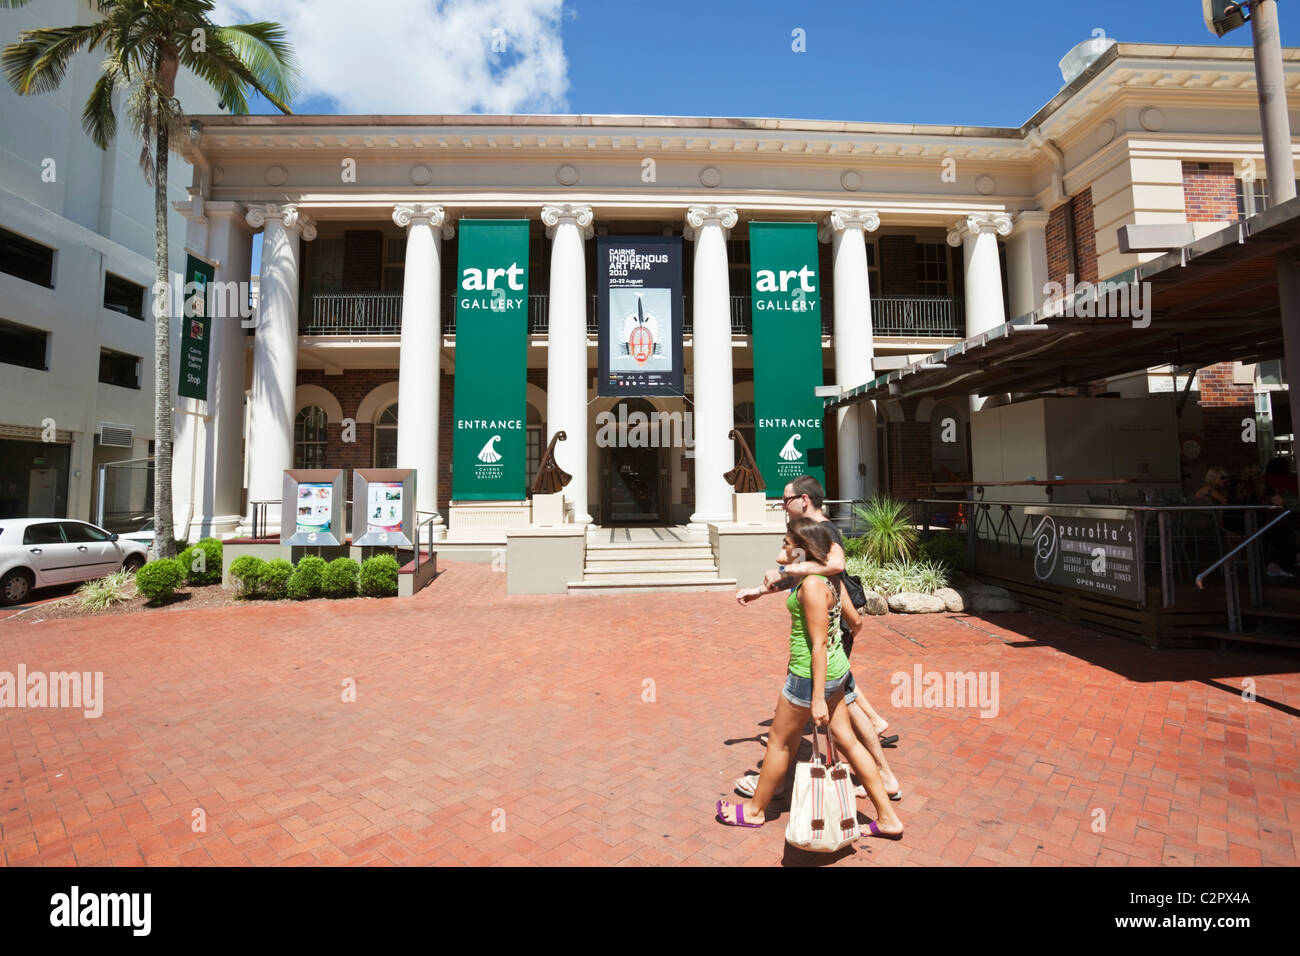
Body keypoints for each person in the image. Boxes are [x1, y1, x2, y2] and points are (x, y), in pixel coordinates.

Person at [715, 518, 904, 838]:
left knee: (779, 742)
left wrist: (816, 698)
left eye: (787, 544)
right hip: (836, 670)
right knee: (848, 742)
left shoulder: (814, 585)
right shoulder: (825, 577)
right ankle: (887, 818)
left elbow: (817, 645)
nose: (782, 549)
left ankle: (754, 810)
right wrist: (761, 591)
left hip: (808, 676)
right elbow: (855, 621)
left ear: (801, 551)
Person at [737, 476, 902, 753]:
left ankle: (788, 739)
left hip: (829, 622)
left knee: (828, 689)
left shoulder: (825, 530)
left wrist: (786, 570)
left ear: (804, 500)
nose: (783, 507)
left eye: (785, 501)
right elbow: (803, 571)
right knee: (843, 687)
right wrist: (762, 590)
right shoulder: (807, 532)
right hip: (827, 619)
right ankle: (874, 728)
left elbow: (836, 568)